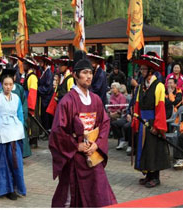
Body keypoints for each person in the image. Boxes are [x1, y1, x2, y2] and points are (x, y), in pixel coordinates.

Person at [49, 59, 117, 207]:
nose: (89, 76)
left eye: (90, 73)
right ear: (75, 75)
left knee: (100, 193)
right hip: (74, 158)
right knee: (69, 197)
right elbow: (57, 132)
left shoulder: (96, 100)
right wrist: (75, 146)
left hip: (92, 155)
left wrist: (97, 144)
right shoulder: (67, 101)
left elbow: (104, 123)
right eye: (84, 73)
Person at [132, 54, 171, 188]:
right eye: (141, 69)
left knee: (154, 149)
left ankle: (156, 177)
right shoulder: (142, 85)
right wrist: (135, 117)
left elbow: (160, 107)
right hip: (143, 121)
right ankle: (148, 175)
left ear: (150, 71)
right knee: (145, 149)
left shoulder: (159, 86)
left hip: (153, 121)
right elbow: (137, 103)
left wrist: (158, 126)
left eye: (143, 69)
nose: (141, 71)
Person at [0, 68, 26, 200]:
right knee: (3, 164)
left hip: (15, 134)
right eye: (5, 84)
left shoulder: (16, 98)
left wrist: (19, 127)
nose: (8, 87)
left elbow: (20, 114)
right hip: (1, 134)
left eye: (10, 84)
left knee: (16, 162)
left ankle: (16, 187)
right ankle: (6, 189)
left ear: (13, 85)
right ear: (1, 85)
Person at [20, 57, 40, 148]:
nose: (23, 65)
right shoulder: (27, 75)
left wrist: (30, 105)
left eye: (25, 64)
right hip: (26, 100)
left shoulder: (32, 77)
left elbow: (33, 91)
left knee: (33, 121)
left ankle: (34, 140)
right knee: (29, 121)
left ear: (29, 65)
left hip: (32, 101)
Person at [11, 66, 31, 158]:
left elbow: (24, 102)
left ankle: (22, 153)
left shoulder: (19, 88)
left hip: (19, 116)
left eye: (13, 75)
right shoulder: (3, 89)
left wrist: (23, 114)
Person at [35, 55, 54, 131]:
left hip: (47, 98)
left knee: (46, 116)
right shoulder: (44, 71)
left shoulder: (49, 72)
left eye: (41, 61)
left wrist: (38, 89)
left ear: (45, 62)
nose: (40, 63)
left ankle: (47, 130)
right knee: (44, 115)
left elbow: (48, 87)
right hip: (44, 97)